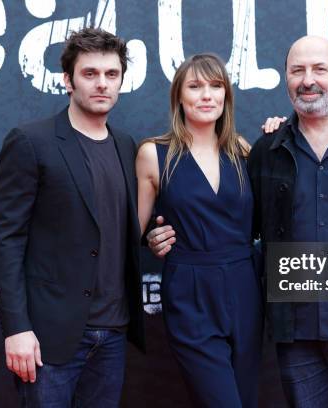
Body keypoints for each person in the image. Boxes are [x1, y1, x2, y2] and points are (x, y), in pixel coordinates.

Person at [149, 36, 328, 407]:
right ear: (286, 79)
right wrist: (161, 234)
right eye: (297, 70)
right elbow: (233, 225)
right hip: (299, 336)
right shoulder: (268, 149)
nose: (308, 79)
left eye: (320, 69)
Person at [0, 27, 144, 407]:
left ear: (122, 80)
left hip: (112, 333)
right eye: (89, 74)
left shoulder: (126, 145)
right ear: (67, 80)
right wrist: (17, 329)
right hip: (48, 338)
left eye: (111, 75)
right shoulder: (31, 142)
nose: (101, 84)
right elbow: (5, 240)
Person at [136, 53, 263, 408]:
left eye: (215, 86)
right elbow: (134, 231)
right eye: (195, 86)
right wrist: (150, 238)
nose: (207, 95)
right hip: (189, 291)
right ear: (179, 96)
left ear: (226, 96)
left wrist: (277, 136)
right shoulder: (154, 154)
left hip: (245, 288)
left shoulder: (245, 151)